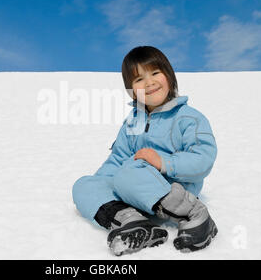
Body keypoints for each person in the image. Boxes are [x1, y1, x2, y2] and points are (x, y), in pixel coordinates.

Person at [72, 46, 218, 255]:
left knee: (129, 171)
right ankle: (134, 222)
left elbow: (202, 159)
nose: (149, 82)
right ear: (131, 89)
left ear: (169, 76)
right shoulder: (132, 123)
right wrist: (101, 186)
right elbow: (117, 159)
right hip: (133, 192)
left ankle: (195, 214)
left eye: (155, 73)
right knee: (84, 185)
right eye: (139, 79)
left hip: (174, 190)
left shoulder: (189, 118)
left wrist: (164, 162)